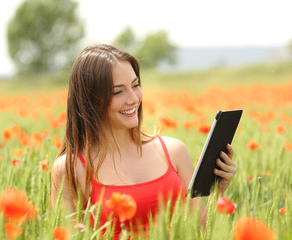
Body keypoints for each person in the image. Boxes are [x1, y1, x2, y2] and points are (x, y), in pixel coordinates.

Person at [51, 44, 236, 238]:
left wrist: (218, 192)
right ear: (90, 100)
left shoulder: (174, 151)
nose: (133, 98)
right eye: (118, 92)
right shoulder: (71, 168)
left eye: (135, 85)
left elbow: (200, 232)